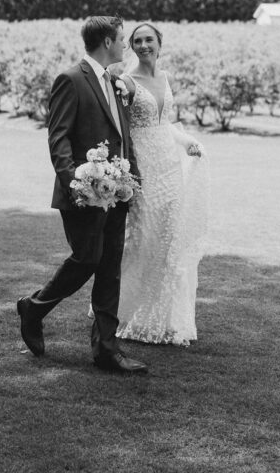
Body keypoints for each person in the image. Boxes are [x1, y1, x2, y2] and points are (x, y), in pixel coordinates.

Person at [16, 15, 148, 375]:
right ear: (107, 41)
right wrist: (76, 183)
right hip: (83, 192)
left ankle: (107, 349)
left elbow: (123, 137)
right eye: (122, 38)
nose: (127, 45)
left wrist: (131, 183)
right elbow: (58, 137)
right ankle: (34, 307)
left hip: (118, 191)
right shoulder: (72, 79)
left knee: (110, 269)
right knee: (87, 259)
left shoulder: (117, 82)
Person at [116, 22, 209, 346]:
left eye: (149, 39)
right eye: (137, 41)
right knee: (142, 241)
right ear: (131, 46)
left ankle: (166, 316)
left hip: (170, 168)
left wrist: (187, 142)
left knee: (169, 244)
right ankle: (126, 311)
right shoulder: (126, 83)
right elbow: (123, 130)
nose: (143, 45)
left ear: (159, 43)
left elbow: (163, 123)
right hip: (143, 170)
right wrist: (129, 169)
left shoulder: (165, 77)